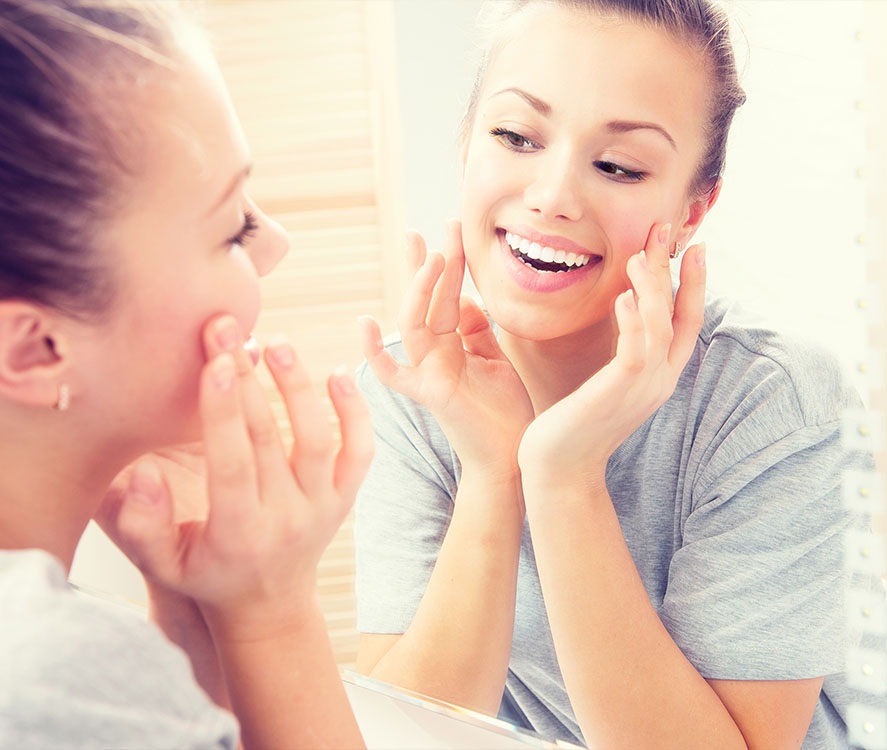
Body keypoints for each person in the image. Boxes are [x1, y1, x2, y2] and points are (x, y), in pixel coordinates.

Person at [353, 1, 873, 748]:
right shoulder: (411, 390)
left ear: (692, 211)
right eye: (514, 136)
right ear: (466, 145)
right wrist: (491, 470)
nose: (553, 196)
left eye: (618, 167)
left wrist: (562, 477)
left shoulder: (770, 402)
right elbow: (405, 735)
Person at [0, 1, 371, 748]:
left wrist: (189, 600)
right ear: (35, 349)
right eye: (234, 226)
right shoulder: (52, 675)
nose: (277, 247)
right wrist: (272, 613)